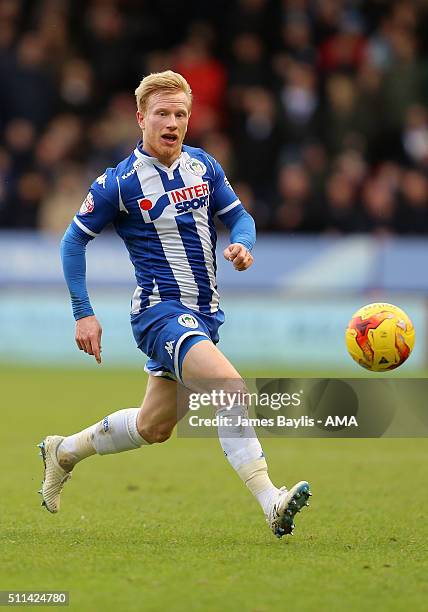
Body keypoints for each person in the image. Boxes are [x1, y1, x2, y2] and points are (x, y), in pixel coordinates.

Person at [38, 71, 311, 538]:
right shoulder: (117, 184)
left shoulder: (203, 166)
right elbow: (71, 244)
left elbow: (240, 217)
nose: (172, 122)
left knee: (154, 426)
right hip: (159, 313)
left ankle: (63, 451)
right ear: (141, 118)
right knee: (231, 388)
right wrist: (83, 312)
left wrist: (243, 244)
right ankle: (271, 500)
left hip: (204, 314)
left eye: (180, 113)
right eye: (162, 113)